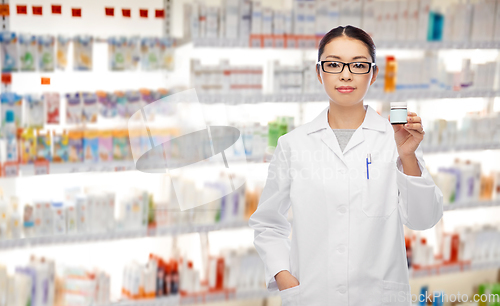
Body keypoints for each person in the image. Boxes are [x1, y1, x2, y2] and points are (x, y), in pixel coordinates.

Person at [248, 25, 444, 306]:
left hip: (378, 297)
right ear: (319, 72)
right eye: (333, 64)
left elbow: (424, 219)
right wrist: (283, 276)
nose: (346, 74)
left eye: (358, 65)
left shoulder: (396, 139)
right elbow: (267, 222)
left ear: (373, 74)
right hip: (313, 294)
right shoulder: (293, 144)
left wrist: (408, 156)